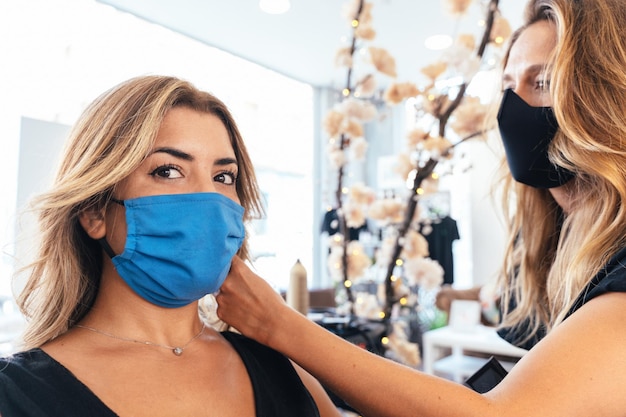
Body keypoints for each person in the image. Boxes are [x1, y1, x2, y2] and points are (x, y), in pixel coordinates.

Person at [216, 0, 626, 415]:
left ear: (606, 94)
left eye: (543, 82)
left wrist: (279, 324)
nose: (510, 108)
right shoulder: (556, 252)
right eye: (506, 87)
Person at [0, 75, 342, 417]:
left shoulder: (282, 370)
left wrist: (286, 328)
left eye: (223, 177)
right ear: (93, 211)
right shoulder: (14, 394)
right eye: (168, 170)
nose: (208, 197)